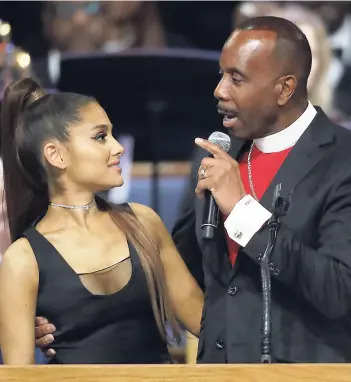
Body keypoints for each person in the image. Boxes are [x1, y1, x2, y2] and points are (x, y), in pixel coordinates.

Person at [35, 15, 351, 364]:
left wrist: (244, 212)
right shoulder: (216, 155)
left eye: (237, 79)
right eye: (222, 74)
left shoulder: (341, 160)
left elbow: (338, 291)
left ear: (284, 88)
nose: (220, 91)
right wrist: (72, 318)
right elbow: (179, 280)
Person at [0, 78, 203, 365]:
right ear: (55, 154)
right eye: (100, 136)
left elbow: (204, 324)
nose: (118, 147)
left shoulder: (143, 223)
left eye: (112, 135)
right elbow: (19, 375)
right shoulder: (23, 258)